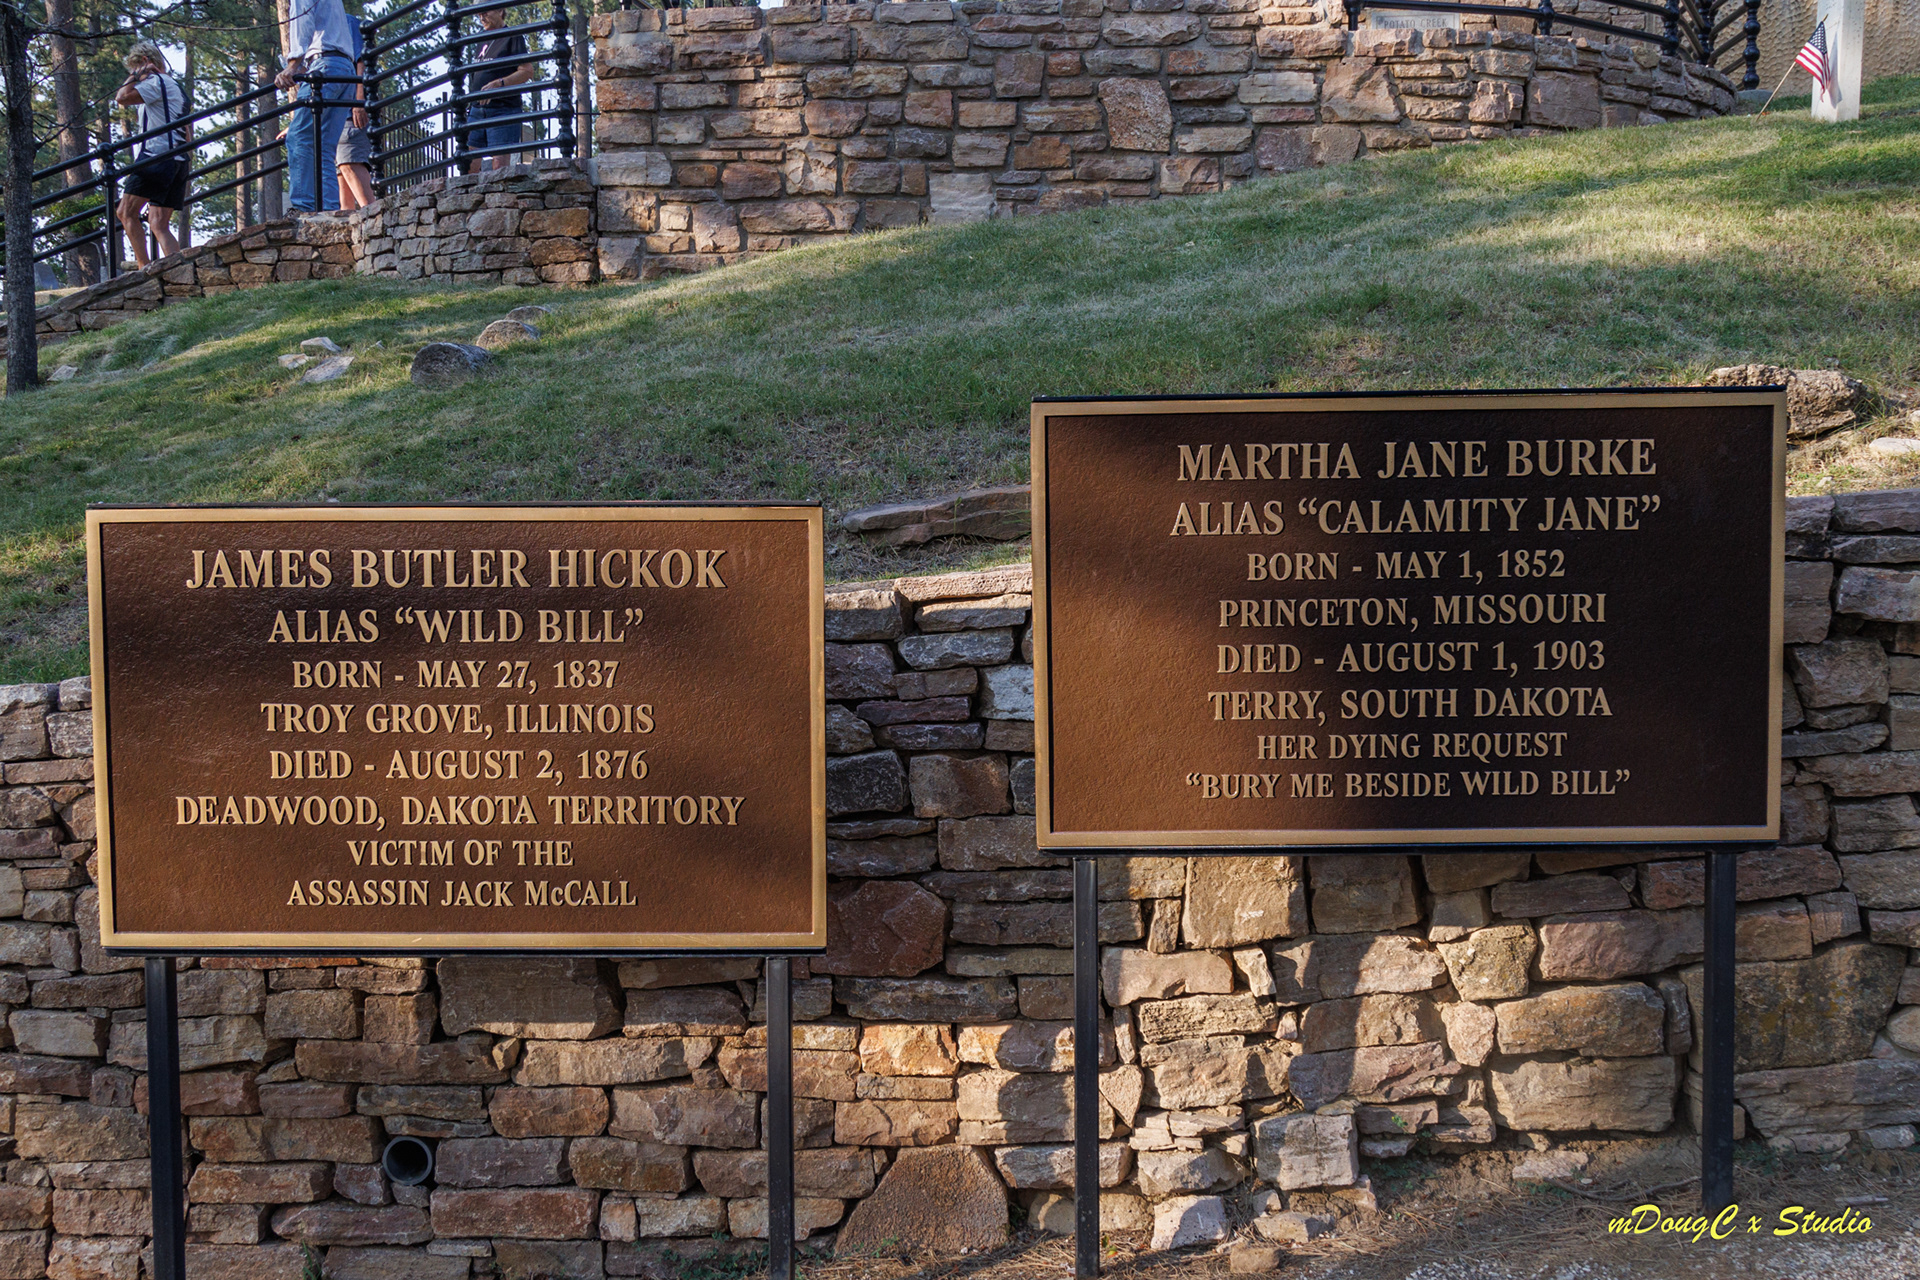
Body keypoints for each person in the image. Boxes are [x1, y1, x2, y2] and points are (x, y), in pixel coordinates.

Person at [277, 0, 360, 211]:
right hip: (343, 68)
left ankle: (304, 208)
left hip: (325, 66)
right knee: (322, 148)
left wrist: (293, 65)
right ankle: (329, 210)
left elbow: (302, 20)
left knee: (300, 137)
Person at [114, 42, 189, 267]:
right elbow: (188, 132)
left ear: (146, 62)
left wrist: (135, 77)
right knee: (158, 223)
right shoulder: (177, 87)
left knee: (125, 213)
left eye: (135, 67)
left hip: (155, 157)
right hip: (178, 160)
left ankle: (143, 269)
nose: (133, 74)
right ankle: (179, 272)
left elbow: (122, 98)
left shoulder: (156, 82)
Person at [467, 5, 534, 172]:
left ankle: (497, 198)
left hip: (503, 108)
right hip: (476, 110)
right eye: (479, 13)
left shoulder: (512, 36)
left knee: (499, 165)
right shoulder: (480, 38)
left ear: (500, 10)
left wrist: (499, 84)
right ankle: (471, 197)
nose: (481, 17)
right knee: (468, 163)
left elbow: (526, 71)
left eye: (485, 12)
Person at [335, 17, 376, 210]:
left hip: (349, 112)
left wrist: (359, 101)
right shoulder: (315, 27)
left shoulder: (346, 22)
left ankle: (377, 225)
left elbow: (362, 60)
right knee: (343, 176)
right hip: (333, 115)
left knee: (349, 163)